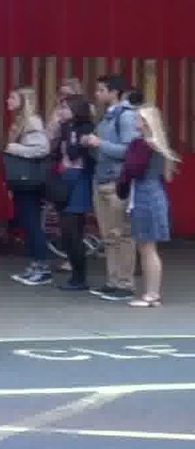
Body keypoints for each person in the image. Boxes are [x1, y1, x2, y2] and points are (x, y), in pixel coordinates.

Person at [81, 74, 139, 301]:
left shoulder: (125, 117)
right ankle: (112, 280)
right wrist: (90, 144)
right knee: (107, 236)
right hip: (101, 179)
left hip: (117, 181)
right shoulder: (106, 117)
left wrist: (99, 143)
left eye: (100, 90)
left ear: (113, 92)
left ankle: (125, 283)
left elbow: (129, 150)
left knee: (122, 234)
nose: (97, 94)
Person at [117, 104, 178, 308]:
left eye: (138, 119)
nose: (135, 122)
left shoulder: (146, 145)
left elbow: (133, 168)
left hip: (146, 196)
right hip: (148, 194)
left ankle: (152, 293)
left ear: (146, 122)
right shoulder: (154, 145)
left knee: (148, 247)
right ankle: (151, 292)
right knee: (145, 247)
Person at [4, 86, 52, 285]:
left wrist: (13, 148)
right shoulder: (20, 121)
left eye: (12, 97)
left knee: (32, 223)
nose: (8, 100)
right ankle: (34, 264)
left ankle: (42, 267)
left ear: (23, 100)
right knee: (26, 222)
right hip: (20, 180)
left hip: (29, 179)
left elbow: (42, 148)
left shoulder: (32, 121)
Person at [50, 94, 96, 290]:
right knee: (65, 231)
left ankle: (80, 276)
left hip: (79, 180)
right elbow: (54, 153)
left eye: (65, 108)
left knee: (73, 229)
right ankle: (75, 275)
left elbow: (74, 152)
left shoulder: (85, 128)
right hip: (64, 178)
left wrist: (72, 136)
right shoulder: (64, 127)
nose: (61, 111)